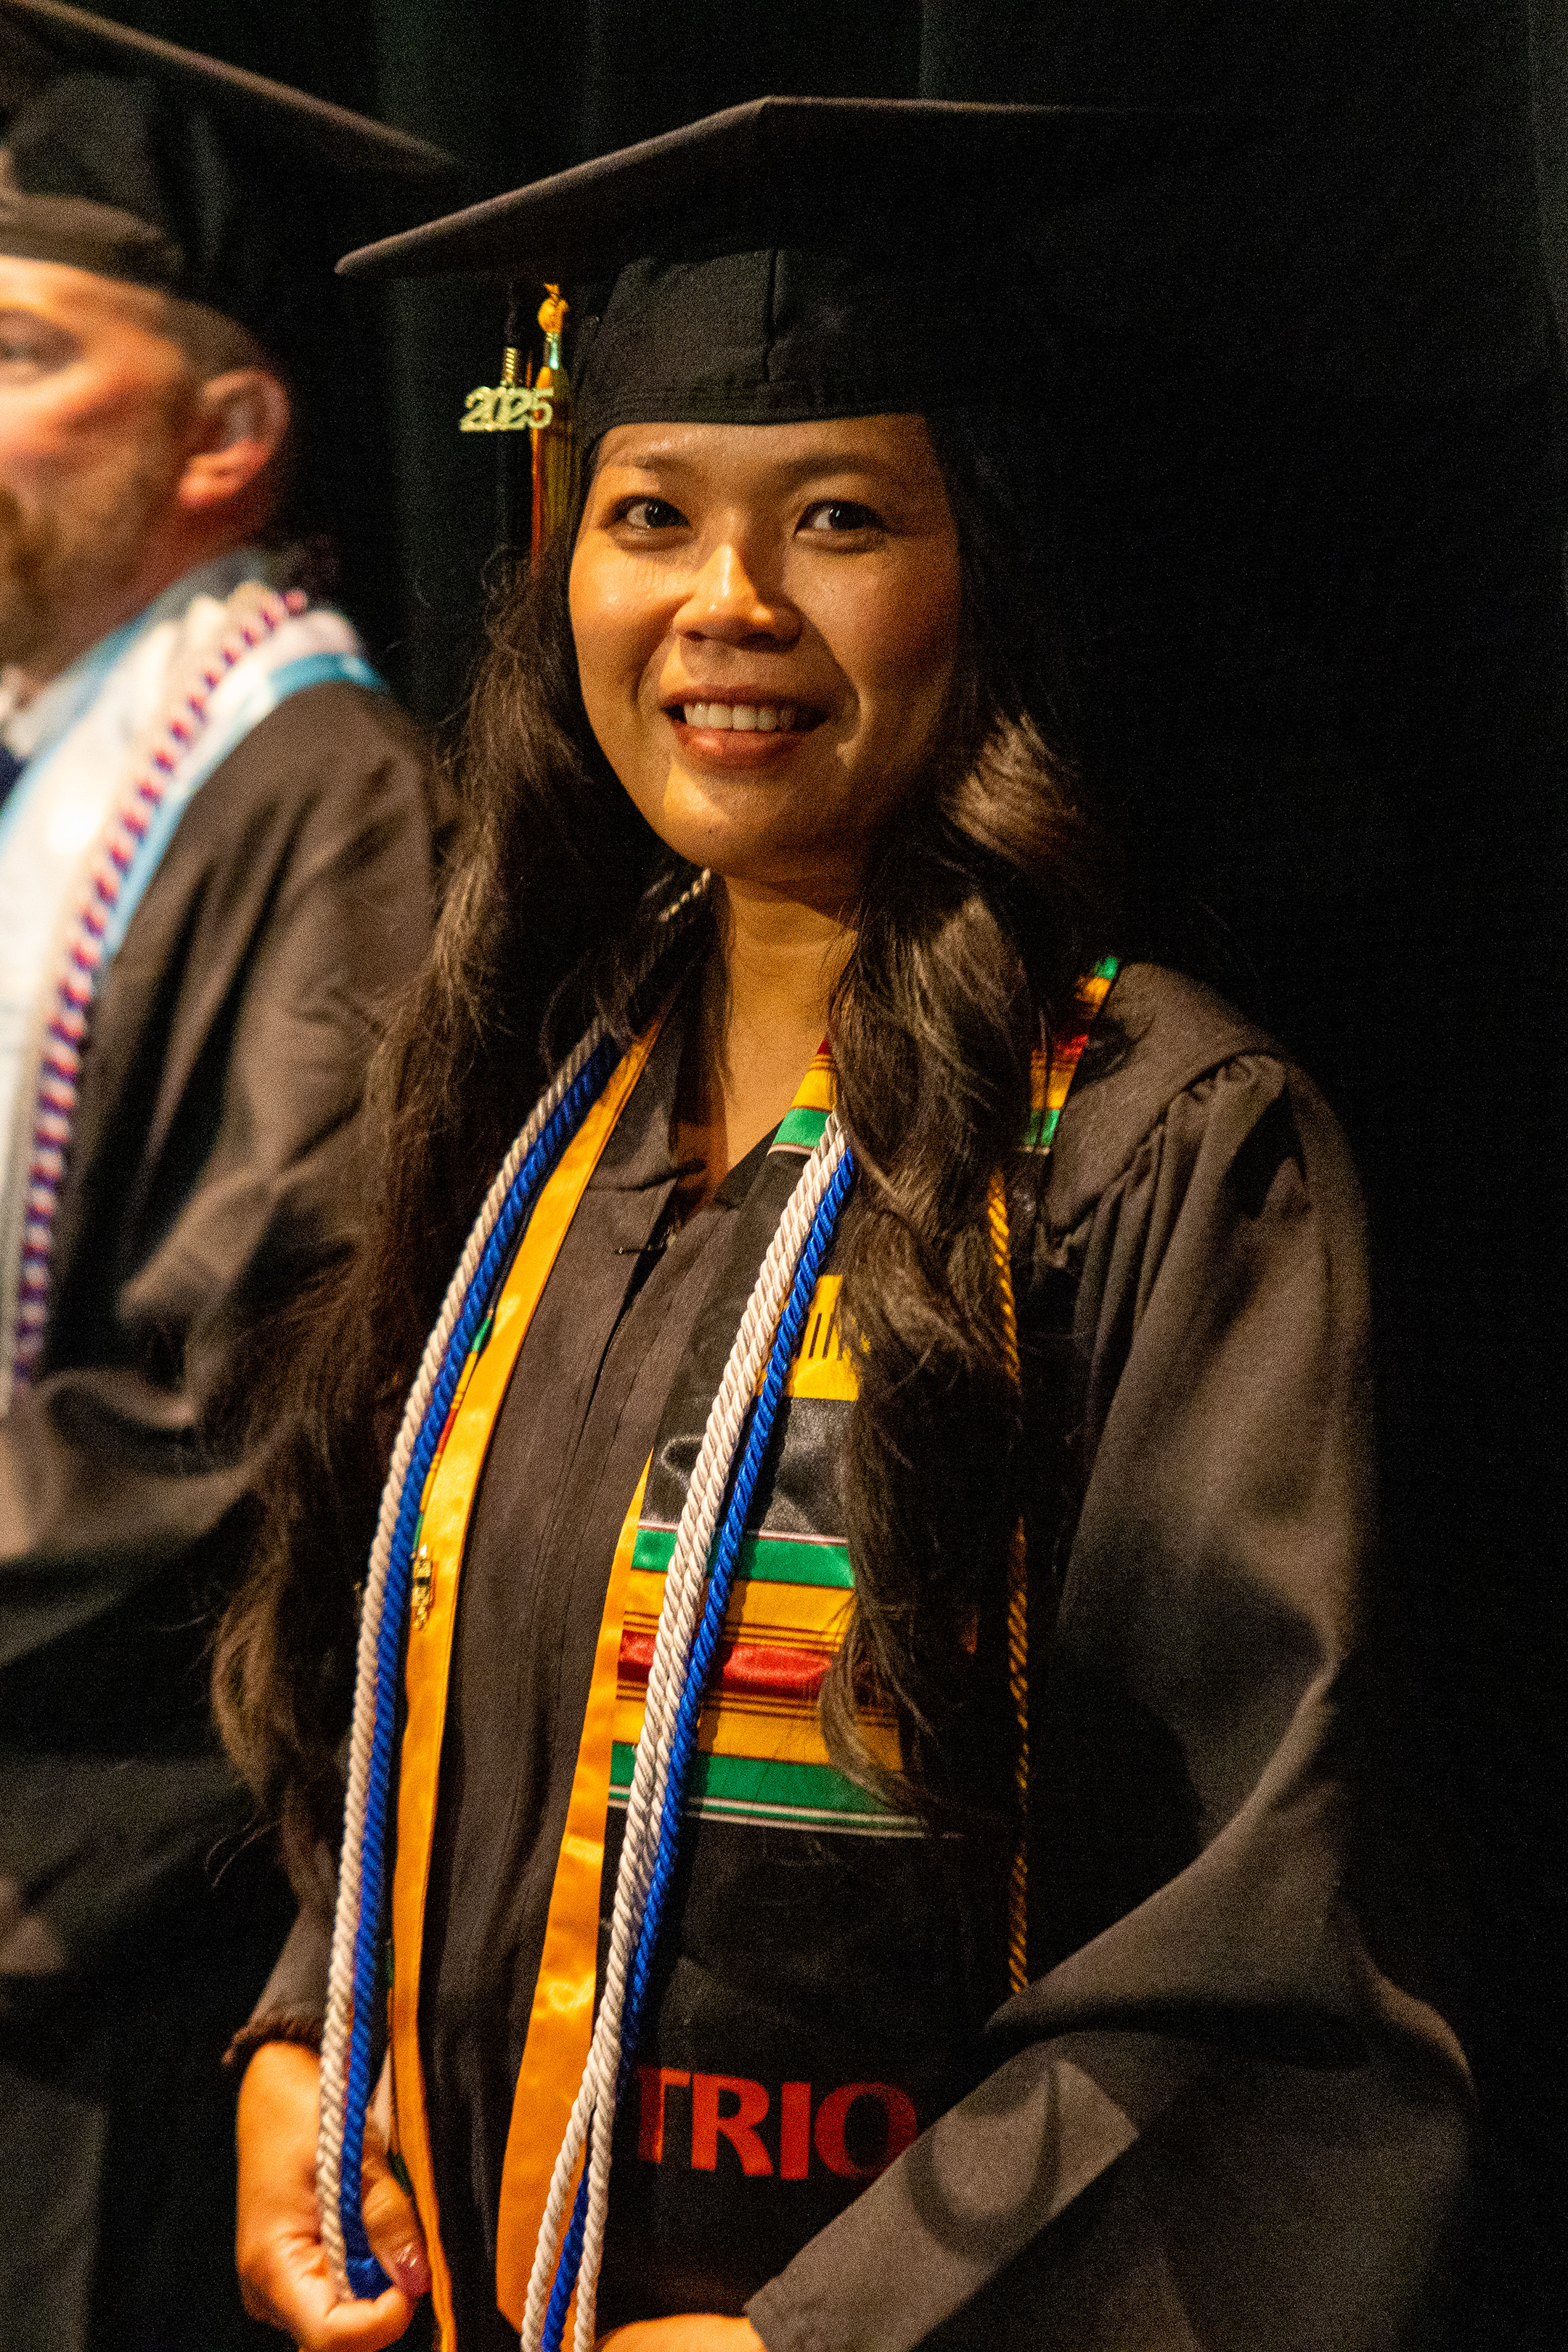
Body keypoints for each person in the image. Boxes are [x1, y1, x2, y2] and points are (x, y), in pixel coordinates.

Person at [219, 99, 1471, 2352]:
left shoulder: (1157, 1153)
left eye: (836, 517)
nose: (727, 604)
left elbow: (1266, 1936)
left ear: (983, 560)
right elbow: (422, 1703)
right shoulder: (528, 1117)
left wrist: (843, 2335)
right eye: (646, 516)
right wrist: (305, 2041)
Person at [0, 7, 453, 2347]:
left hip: (120, 1913)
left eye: (14, 351)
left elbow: (257, 1379)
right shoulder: (34, 774)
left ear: (231, 432)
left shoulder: (317, 787)